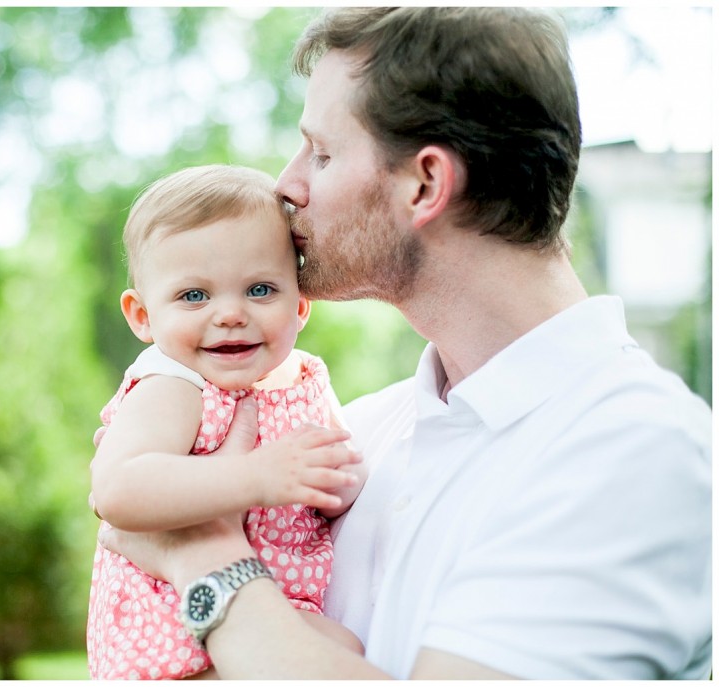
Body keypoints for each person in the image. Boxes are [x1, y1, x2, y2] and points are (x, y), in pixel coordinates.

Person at [99, 7, 712, 680]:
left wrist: (203, 559)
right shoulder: (359, 433)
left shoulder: (635, 449)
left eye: (322, 153)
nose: (286, 185)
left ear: (424, 184)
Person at [86, 164, 367, 680]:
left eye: (260, 290)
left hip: (273, 608)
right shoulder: (172, 386)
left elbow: (342, 481)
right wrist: (258, 477)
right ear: (142, 316)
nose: (231, 314)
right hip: (174, 630)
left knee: (347, 649)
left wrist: (336, 480)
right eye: (194, 295)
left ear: (301, 305)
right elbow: (116, 490)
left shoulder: (305, 380)